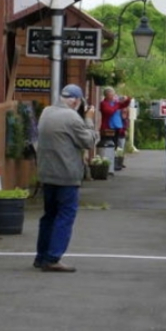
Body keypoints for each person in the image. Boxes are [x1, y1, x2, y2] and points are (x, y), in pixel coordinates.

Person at [34, 84, 99, 273]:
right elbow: (89, 141)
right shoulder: (72, 117)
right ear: (77, 101)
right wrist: (89, 120)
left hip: (47, 173)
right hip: (66, 174)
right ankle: (53, 257)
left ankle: (41, 256)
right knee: (65, 215)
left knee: (49, 216)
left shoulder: (46, 112)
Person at [99, 87, 132, 161]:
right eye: (111, 95)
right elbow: (109, 111)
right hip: (108, 128)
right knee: (108, 146)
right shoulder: (104, 103)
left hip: (117, 127)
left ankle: (114, 162)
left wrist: (127, 98)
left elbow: (125, 104)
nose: (113, 96)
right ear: (106, 95)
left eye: (113, 95)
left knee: (115, 146)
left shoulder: (115, 103)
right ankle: (107, 160)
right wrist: (117, 105)